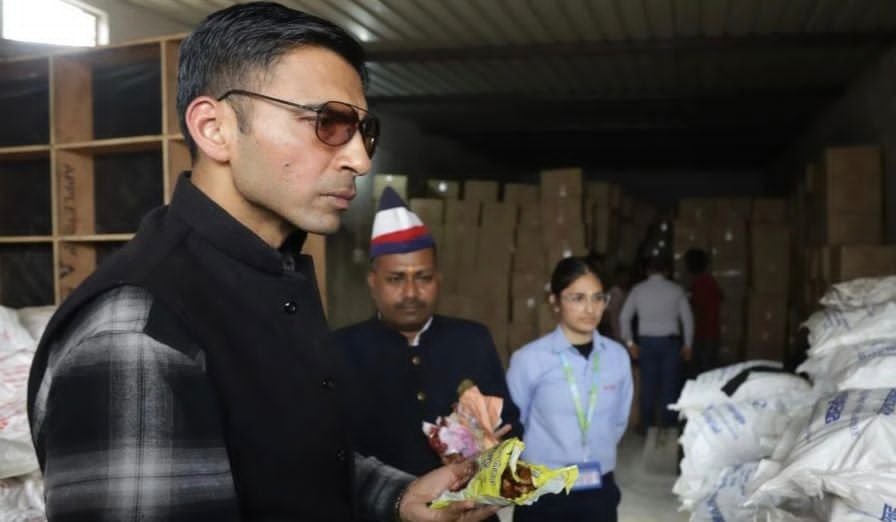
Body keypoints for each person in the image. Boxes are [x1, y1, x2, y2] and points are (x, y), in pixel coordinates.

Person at [26, 3, 498, 521]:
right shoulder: (137, 329)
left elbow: (285, 461)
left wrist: (396, 497)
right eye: (327, 123)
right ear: (214, 128)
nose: (360, 160)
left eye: (363, 131)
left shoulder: (273, 279)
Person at [335, 188, 522, 481]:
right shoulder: (342, 350)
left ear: (439, 280)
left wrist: (491, 450)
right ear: (373, 283)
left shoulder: (472, 341)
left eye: (423, 278)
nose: (411, 292)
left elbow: (509, 426)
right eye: (396, 279)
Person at [506, 257, 633, 522]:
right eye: (577, 298)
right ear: (555, 301)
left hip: (599, 487)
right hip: (543, 490)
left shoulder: (617, 357)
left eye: (598, 298)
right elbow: (514, 426)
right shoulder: (529, 360)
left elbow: (618, 421)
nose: (590, 308)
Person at [619, 256, 694, 433]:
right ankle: (669, 426)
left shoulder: (638, 290)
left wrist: (630, 343)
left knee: (648, 385)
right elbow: (688, 320)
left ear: (647, 271)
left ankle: (646, 425)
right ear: (667, 271)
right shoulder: (676, 290)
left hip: (647, 343)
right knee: (670, 385)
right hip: (671, 343)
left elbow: (624, 317)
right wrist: (688, 345)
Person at [684, 248, 723, 377]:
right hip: (710, 332)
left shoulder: (700, 284)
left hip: (703, 334)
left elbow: (696, 309)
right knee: (706, 369)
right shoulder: (710, 281)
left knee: (701, 371)